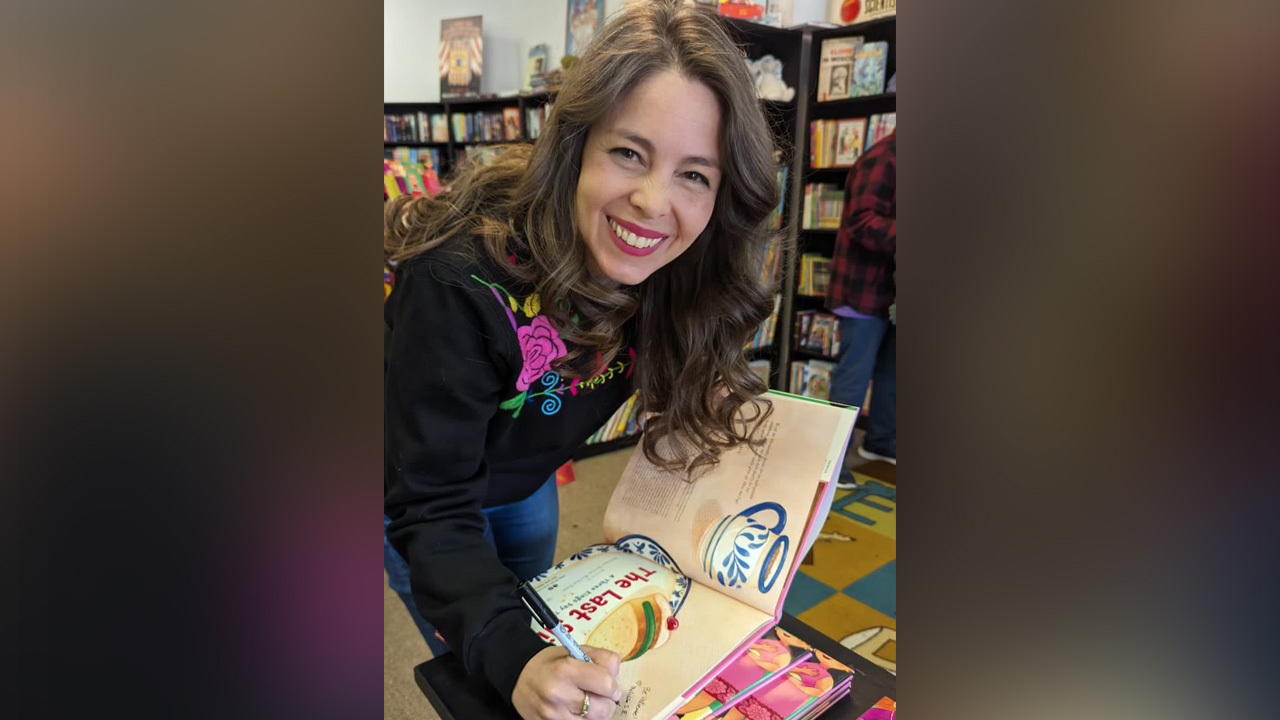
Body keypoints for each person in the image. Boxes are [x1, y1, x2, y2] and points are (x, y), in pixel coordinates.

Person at [383, 3, 783, 719]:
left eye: (696, 174)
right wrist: (513, 658)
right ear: (576, 146)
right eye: (629, 152)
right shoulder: (456, 279)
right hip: (416, 487)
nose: (653, 201)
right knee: (491, 666)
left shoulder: (678, 269)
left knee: (545, 626)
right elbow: (430, 502)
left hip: (525, 478)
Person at [825, 130, 896, 486]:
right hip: (862, 291)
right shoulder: (884, 157)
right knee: (854, 376)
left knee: (893, 373)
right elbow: (862, 221)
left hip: (893, 294)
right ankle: (831, 463)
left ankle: (880, 442)